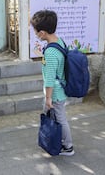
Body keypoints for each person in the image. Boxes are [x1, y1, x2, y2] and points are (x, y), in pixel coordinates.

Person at [30, 10, 75, 156]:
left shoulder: (50, 53)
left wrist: (48, 98)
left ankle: (68, 147)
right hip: (59, 90)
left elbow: (49, 79)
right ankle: (54, 139)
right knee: (56, 117)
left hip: (55, 93)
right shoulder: (58, 41)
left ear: (42, 33)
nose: (36, 34)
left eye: (36, 32)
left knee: (60, 119)